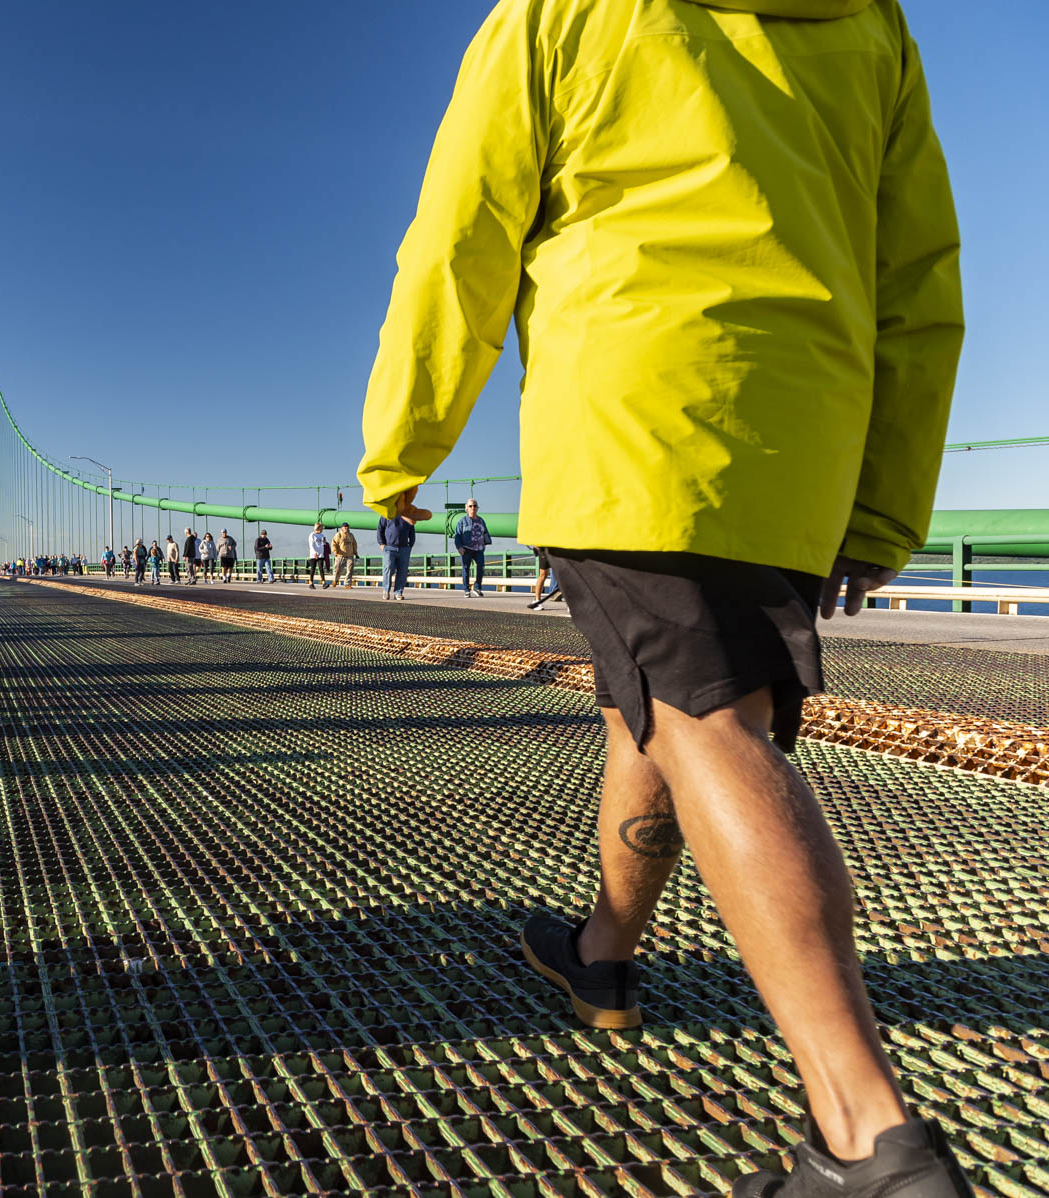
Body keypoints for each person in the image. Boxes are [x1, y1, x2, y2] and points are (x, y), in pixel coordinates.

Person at [357, 1, 967, 1193]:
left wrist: (400, 447)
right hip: (805, 445)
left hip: (632, 421)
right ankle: (602, 954)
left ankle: (867, 1139)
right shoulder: (875, 25)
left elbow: (461, 234)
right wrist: (886, 496)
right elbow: (917, 278)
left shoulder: (561, 10)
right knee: (656, 703)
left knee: (707, 725)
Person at [452, 499, 491, 597]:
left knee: (481, 567)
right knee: (466, 569)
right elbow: (457, 535)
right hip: (466, 548)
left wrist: (485, 543)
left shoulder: (481, 520)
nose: (472, 508)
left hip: (479, 549)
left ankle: (477, 587)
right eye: (470, 506)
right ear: (466, 508)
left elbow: (485, 533)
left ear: (477, 508)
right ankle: (466, 590)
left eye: (474, 506)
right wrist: (459, 547)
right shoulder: (462, 521)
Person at [376, 509, 418, 600]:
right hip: (389, 547)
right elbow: (380, 528)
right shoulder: (386, 513)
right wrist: (381, 543)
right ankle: (386, 591)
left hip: (404, 547)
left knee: (402, 571)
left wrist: (410, 545)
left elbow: (412, 531)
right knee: (388, 568)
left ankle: (398, 592)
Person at [527, 546, 562, 611]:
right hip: (544, 549)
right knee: (543, 574)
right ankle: (536, 600)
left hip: (557, 549)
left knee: (563, 573)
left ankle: (571, 604)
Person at [328, 523, 358, 589]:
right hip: (340, 555)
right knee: (337, 569)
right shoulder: (338, 534)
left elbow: (354, 544)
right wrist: (335, 551)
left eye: (347, 526)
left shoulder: (351, 535)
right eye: (344, 526)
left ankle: (347, 584)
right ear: (342, 527)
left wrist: (355, 552)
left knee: (350, 570)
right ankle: (335, 580)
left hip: (350, 555)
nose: (346, 528)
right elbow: (334, 543)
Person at [305, 523, 329, 588]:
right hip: (313, 555)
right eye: (321, 528)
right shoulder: (312, 535)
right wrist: (315, 552)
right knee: (313, 568)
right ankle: (311, 583)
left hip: (321, 554)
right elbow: (311, 545)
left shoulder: (322, 535)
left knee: (321, 569)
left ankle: (324, 583)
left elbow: (323, 544)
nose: (322, 530)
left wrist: (324, 542)